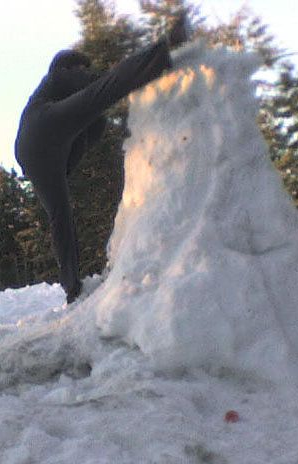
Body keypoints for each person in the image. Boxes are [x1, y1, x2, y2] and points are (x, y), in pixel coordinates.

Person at [15, 15, 189, 303]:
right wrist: (142, 68)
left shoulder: (51, 88)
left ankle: (71, 287)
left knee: (61, 214)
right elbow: (103, 84)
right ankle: (165, 50)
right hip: (44, 131)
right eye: (82, 67)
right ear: (70, 66)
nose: (85, 71)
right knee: (101, 94)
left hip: (37, 154)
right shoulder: (61, 73)